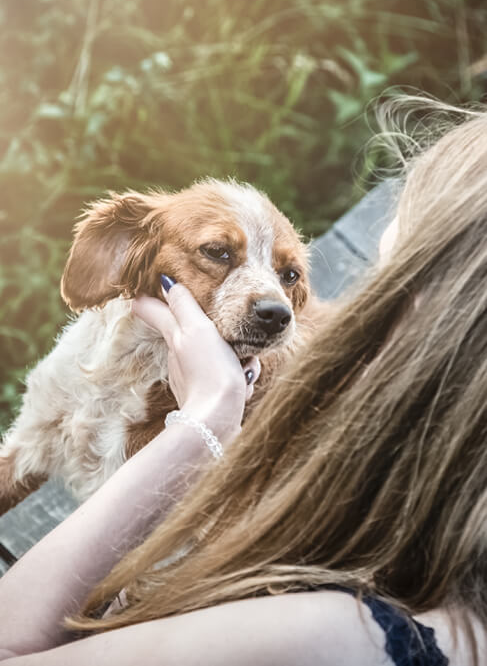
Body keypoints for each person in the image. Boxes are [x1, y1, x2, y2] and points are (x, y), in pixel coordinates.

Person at [1, 97, 487, 665]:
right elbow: (23, 458)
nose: (277, 304)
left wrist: (204, 424)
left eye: (288, 279)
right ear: (130, 251)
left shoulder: (337, 628)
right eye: (217, 252)